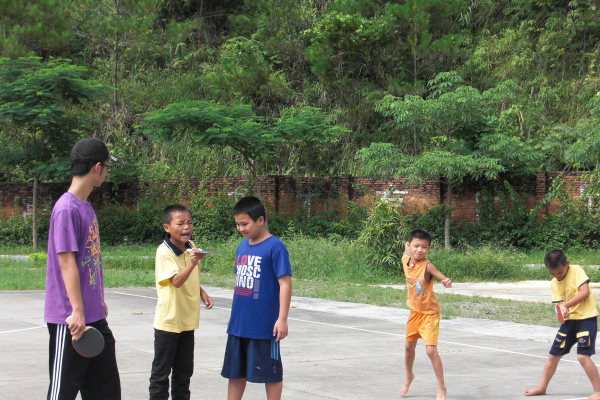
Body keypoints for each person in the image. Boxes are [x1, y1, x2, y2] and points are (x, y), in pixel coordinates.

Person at [44, 137, 121, 400]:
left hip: (94, 315)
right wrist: (77, 310)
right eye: (107, 166)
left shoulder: (85, 206)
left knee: (106, 391)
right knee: (62, 393)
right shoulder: (66, 209)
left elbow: (89, 260)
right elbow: (67, 262)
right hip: (71, 320)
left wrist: (97, 300)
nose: (106, 172)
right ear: (97, 167)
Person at [221, 196, 292, 400]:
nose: (241, 229)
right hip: (239, 324)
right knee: (235, 372)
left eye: (245, 224)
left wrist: (282, 319)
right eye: (237, 224)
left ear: (260, 220)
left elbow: (285, 283)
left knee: (271, 373)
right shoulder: (242, 247)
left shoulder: (275, 247)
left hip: (264, 325)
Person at [149, 204, 213, 400]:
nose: (186, 227)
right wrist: (193, 262)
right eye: (180, 223)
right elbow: (176, 281)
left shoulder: (191, 246)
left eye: (189, 222)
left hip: (187, 321)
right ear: (167, 227)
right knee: (161, 374)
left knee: (183, 373)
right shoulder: (164, 252)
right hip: (169, 322)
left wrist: (201, 291)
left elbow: (189, 276)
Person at [524, 249, 600, 399]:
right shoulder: (554, 283)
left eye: (559, 272)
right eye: (552, 273)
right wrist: (562, 310)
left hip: (586, 319)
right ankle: (542, 387)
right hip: (569, 322)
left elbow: (584, 292)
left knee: (582, 356)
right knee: (553, 355)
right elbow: (560, 304)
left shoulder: (576, 270)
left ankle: (598, 391)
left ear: (567, 264)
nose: (557, 276)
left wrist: (566, 305)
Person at [400, 229, 452, 400]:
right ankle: (409, 376)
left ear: (428, 249)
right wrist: (407, 248)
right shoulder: (406, 258)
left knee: (430, 350)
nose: (419, 250)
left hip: (429, 314)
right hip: (414, 312)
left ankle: (441, 387)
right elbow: (405, 250)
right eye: (416, 246)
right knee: (408, 347)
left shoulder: (428, 266)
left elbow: (441, 276)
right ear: (409, 246)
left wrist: (445, 281)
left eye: (424, 247)